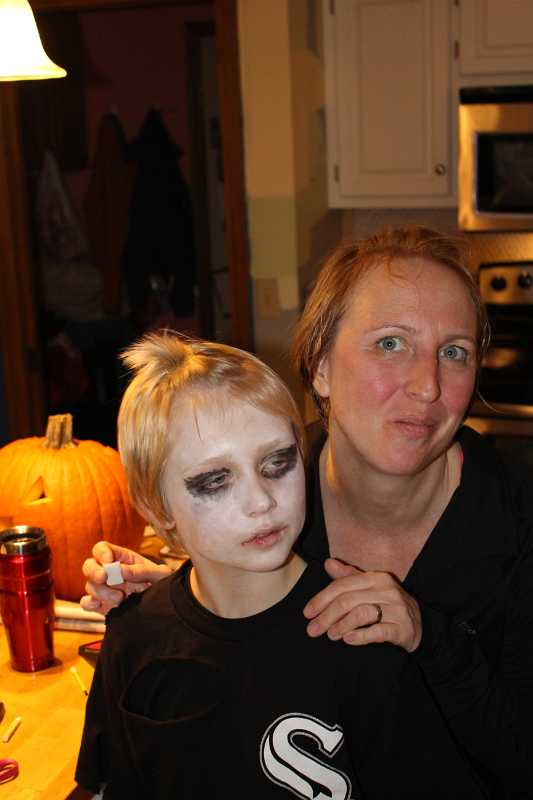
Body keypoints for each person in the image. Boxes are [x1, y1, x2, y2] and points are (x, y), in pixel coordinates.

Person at [81, 225, 533, 798]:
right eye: (390, 343)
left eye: (454, 352)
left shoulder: (517, 524)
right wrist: (195, 590)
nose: (427, 385)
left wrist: (431, 639)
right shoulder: (272, 492)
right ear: (319, 365)